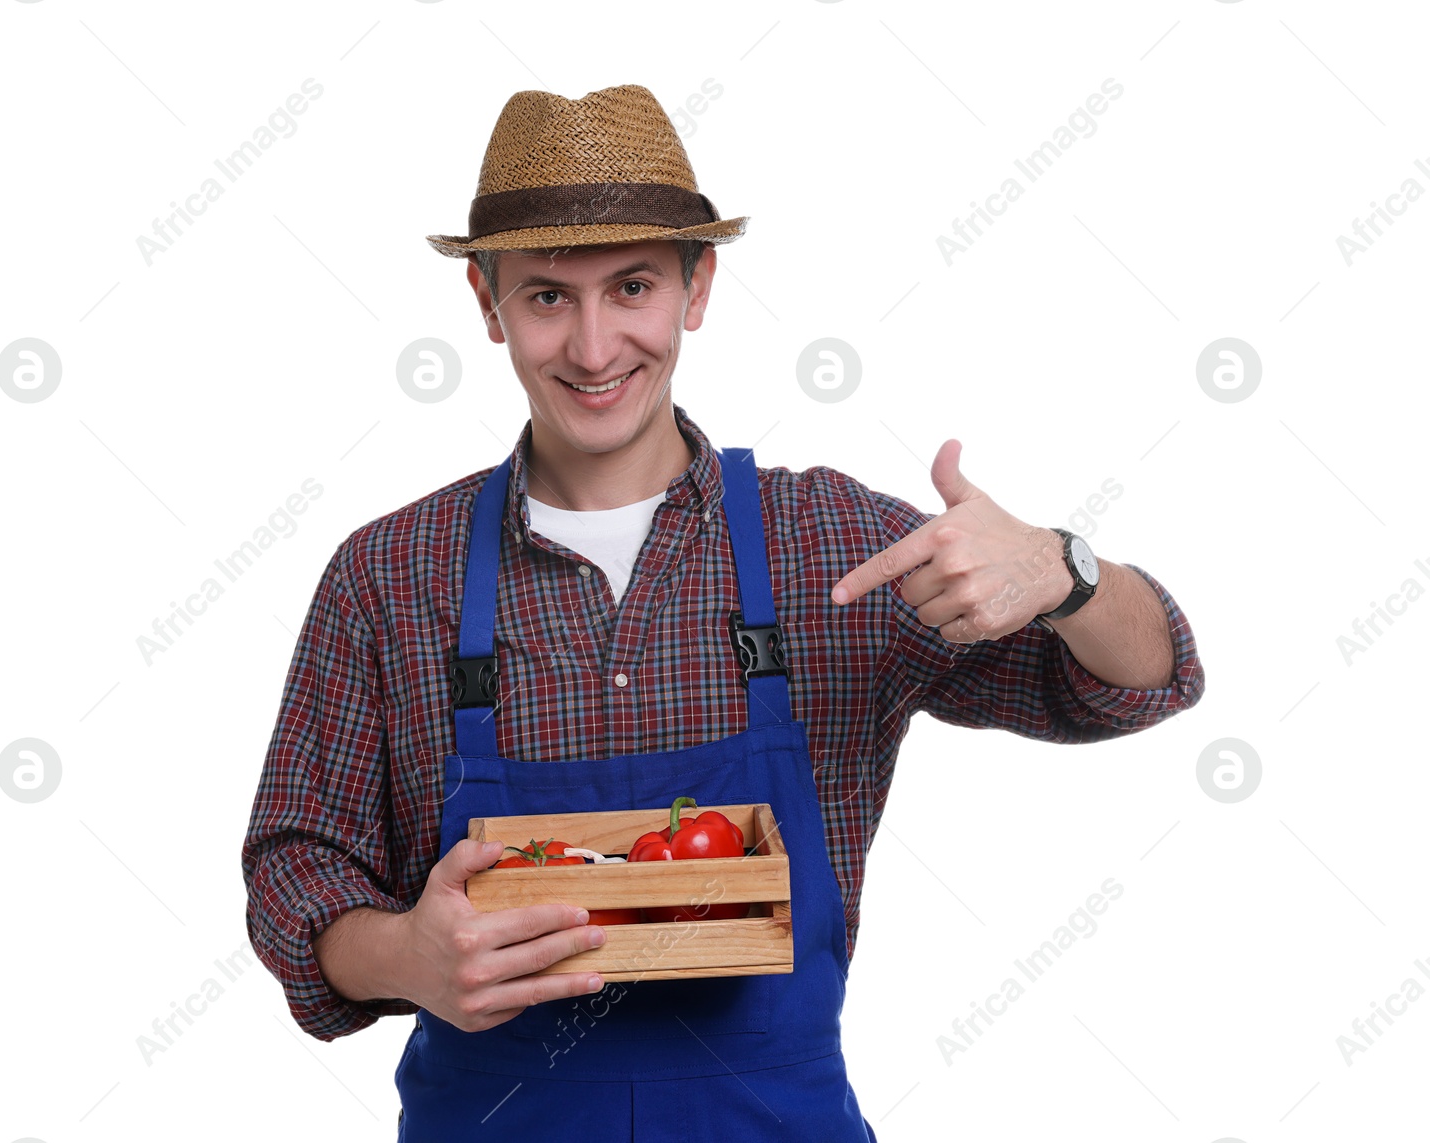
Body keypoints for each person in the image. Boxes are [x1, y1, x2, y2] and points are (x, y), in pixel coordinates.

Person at [240, 84, 1204, 1139]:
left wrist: (1064, 572)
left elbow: (1142, 682)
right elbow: (295, 865)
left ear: (698, 289)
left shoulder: (827, 544)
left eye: (634, 287)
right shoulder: (392, 575)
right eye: (547, 296)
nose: (596, 348)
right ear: (486, 303)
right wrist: (404, 957)